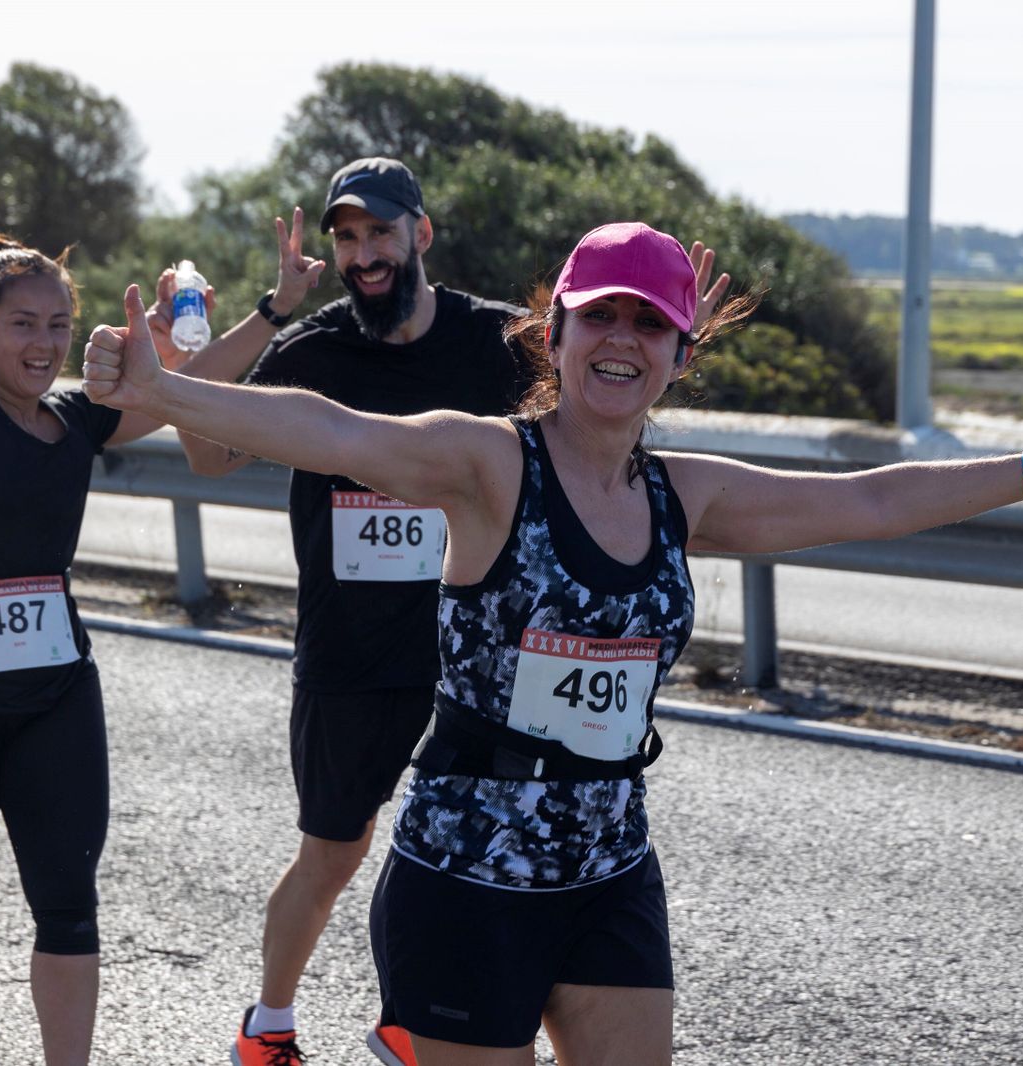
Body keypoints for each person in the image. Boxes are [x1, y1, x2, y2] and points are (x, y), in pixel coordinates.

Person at [81, 220, 1023, 1066]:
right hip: (467, 874)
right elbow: (329, 430)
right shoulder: (488, 464)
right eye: (599, 317)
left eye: (650, 323)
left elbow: (869, 499)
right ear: (554, 334)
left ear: (678, 352)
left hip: (609, 868)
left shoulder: (683, 495)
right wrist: (166, 390)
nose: (621, 340)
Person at [156, 158, 726, 1066]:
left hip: (477, 658)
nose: (364, 253)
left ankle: (420, 1021)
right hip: (355, 651)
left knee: (469, 833)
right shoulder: (314, 346)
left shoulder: (496, 339)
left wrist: (661, 316)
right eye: (348, 238)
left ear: (420, 234)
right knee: (333, 855)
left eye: (381, 232)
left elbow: (592, 380)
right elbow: (206, 451)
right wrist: (262, 315)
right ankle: (271, 1023)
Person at [0, 221, 321, 1066]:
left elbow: (190, 387)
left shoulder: (76, 420)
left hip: (57, 693)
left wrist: (274, 309)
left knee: (69, 904)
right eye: (22, 323)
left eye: (58, 324)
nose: (43, 343)